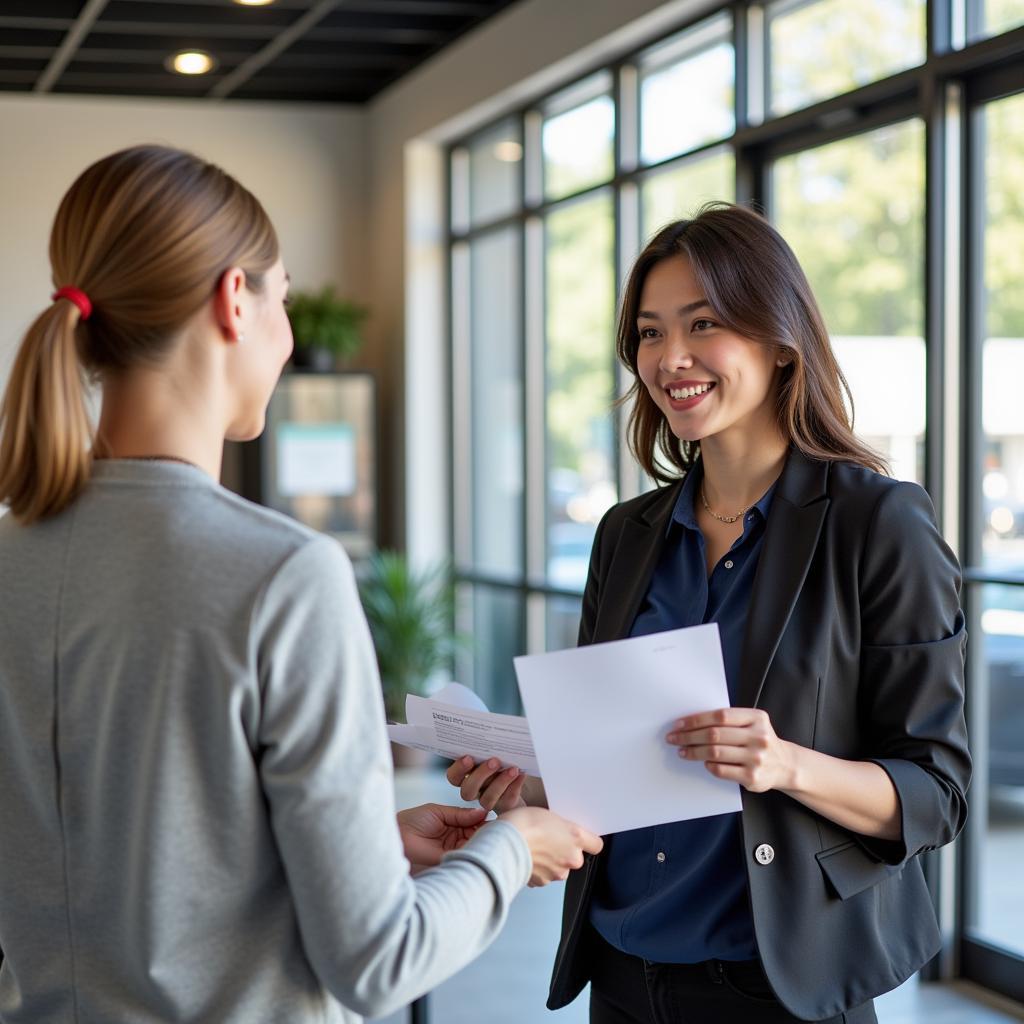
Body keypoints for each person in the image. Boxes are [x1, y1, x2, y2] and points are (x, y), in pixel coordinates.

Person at [0, 144, 602, 1024]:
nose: (287, 335)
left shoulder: (14, 555)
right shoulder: (282, 575)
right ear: (233, 301)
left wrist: (357, 854)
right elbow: (379, 962)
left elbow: (110, 877)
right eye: (283, 297)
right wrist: (513, 848)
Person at [447, 202, 970, 1023]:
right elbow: (612, 774)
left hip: (774, 990)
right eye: (650, 333)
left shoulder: (878, 522)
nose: (671, 358)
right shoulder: (627, 534)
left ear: (778, 337)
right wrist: (525, 786)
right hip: (623, 976)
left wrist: (782, 763)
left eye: (704, 324)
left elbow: (936, 794)